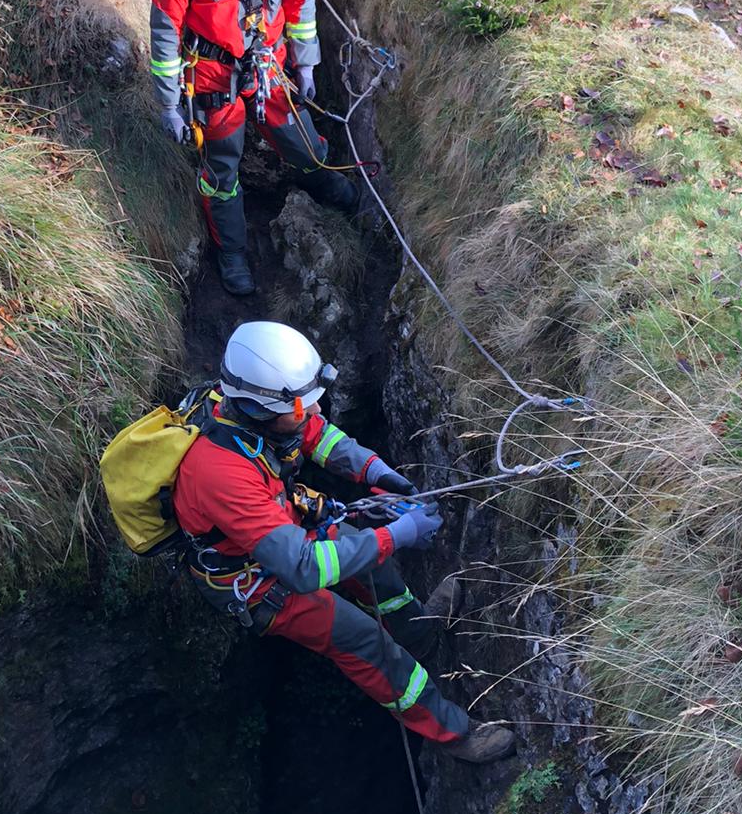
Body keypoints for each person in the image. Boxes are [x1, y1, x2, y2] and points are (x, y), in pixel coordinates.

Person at [173, 320, 516, 764]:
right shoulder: (218, 473)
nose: (313, 414)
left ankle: (419, 635)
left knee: (377, 566)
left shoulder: (243, 405)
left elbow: (314, 435)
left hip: (282, 526)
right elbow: (303, 569)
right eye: (302, 408)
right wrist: (397, 534)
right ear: (262, 409)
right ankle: (455, 737)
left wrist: (375, 471)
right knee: (365, 641)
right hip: (258, 582)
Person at [149, 0, 358, 297]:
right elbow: (164, 33)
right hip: (212, 78)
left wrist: (305, 65)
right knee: (222, 168)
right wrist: (168, 105)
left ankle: (325, 182)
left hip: (269, 68)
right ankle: (233, 253)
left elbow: (300, 0)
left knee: (302, 143)